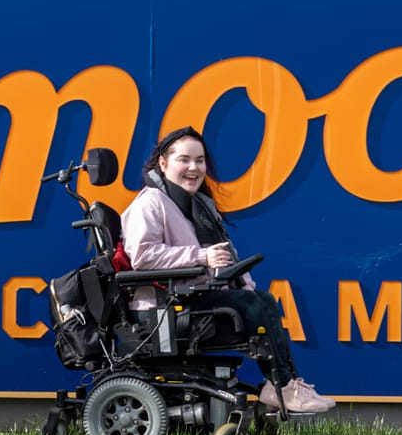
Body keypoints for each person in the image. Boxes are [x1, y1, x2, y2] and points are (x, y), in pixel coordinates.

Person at [119, 126, 335, 414]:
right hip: (162, 312)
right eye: (184, 160)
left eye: (199, 160)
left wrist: (244, 284)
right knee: (248, 303)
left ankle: (283, 384)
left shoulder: (198, 206)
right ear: (163, 163)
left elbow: (225, 257)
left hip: (191, 301)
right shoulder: (150, 203)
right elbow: (143, 257)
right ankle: (281, 384)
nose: (194, 168)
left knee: (261, 299)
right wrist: (201, 256)